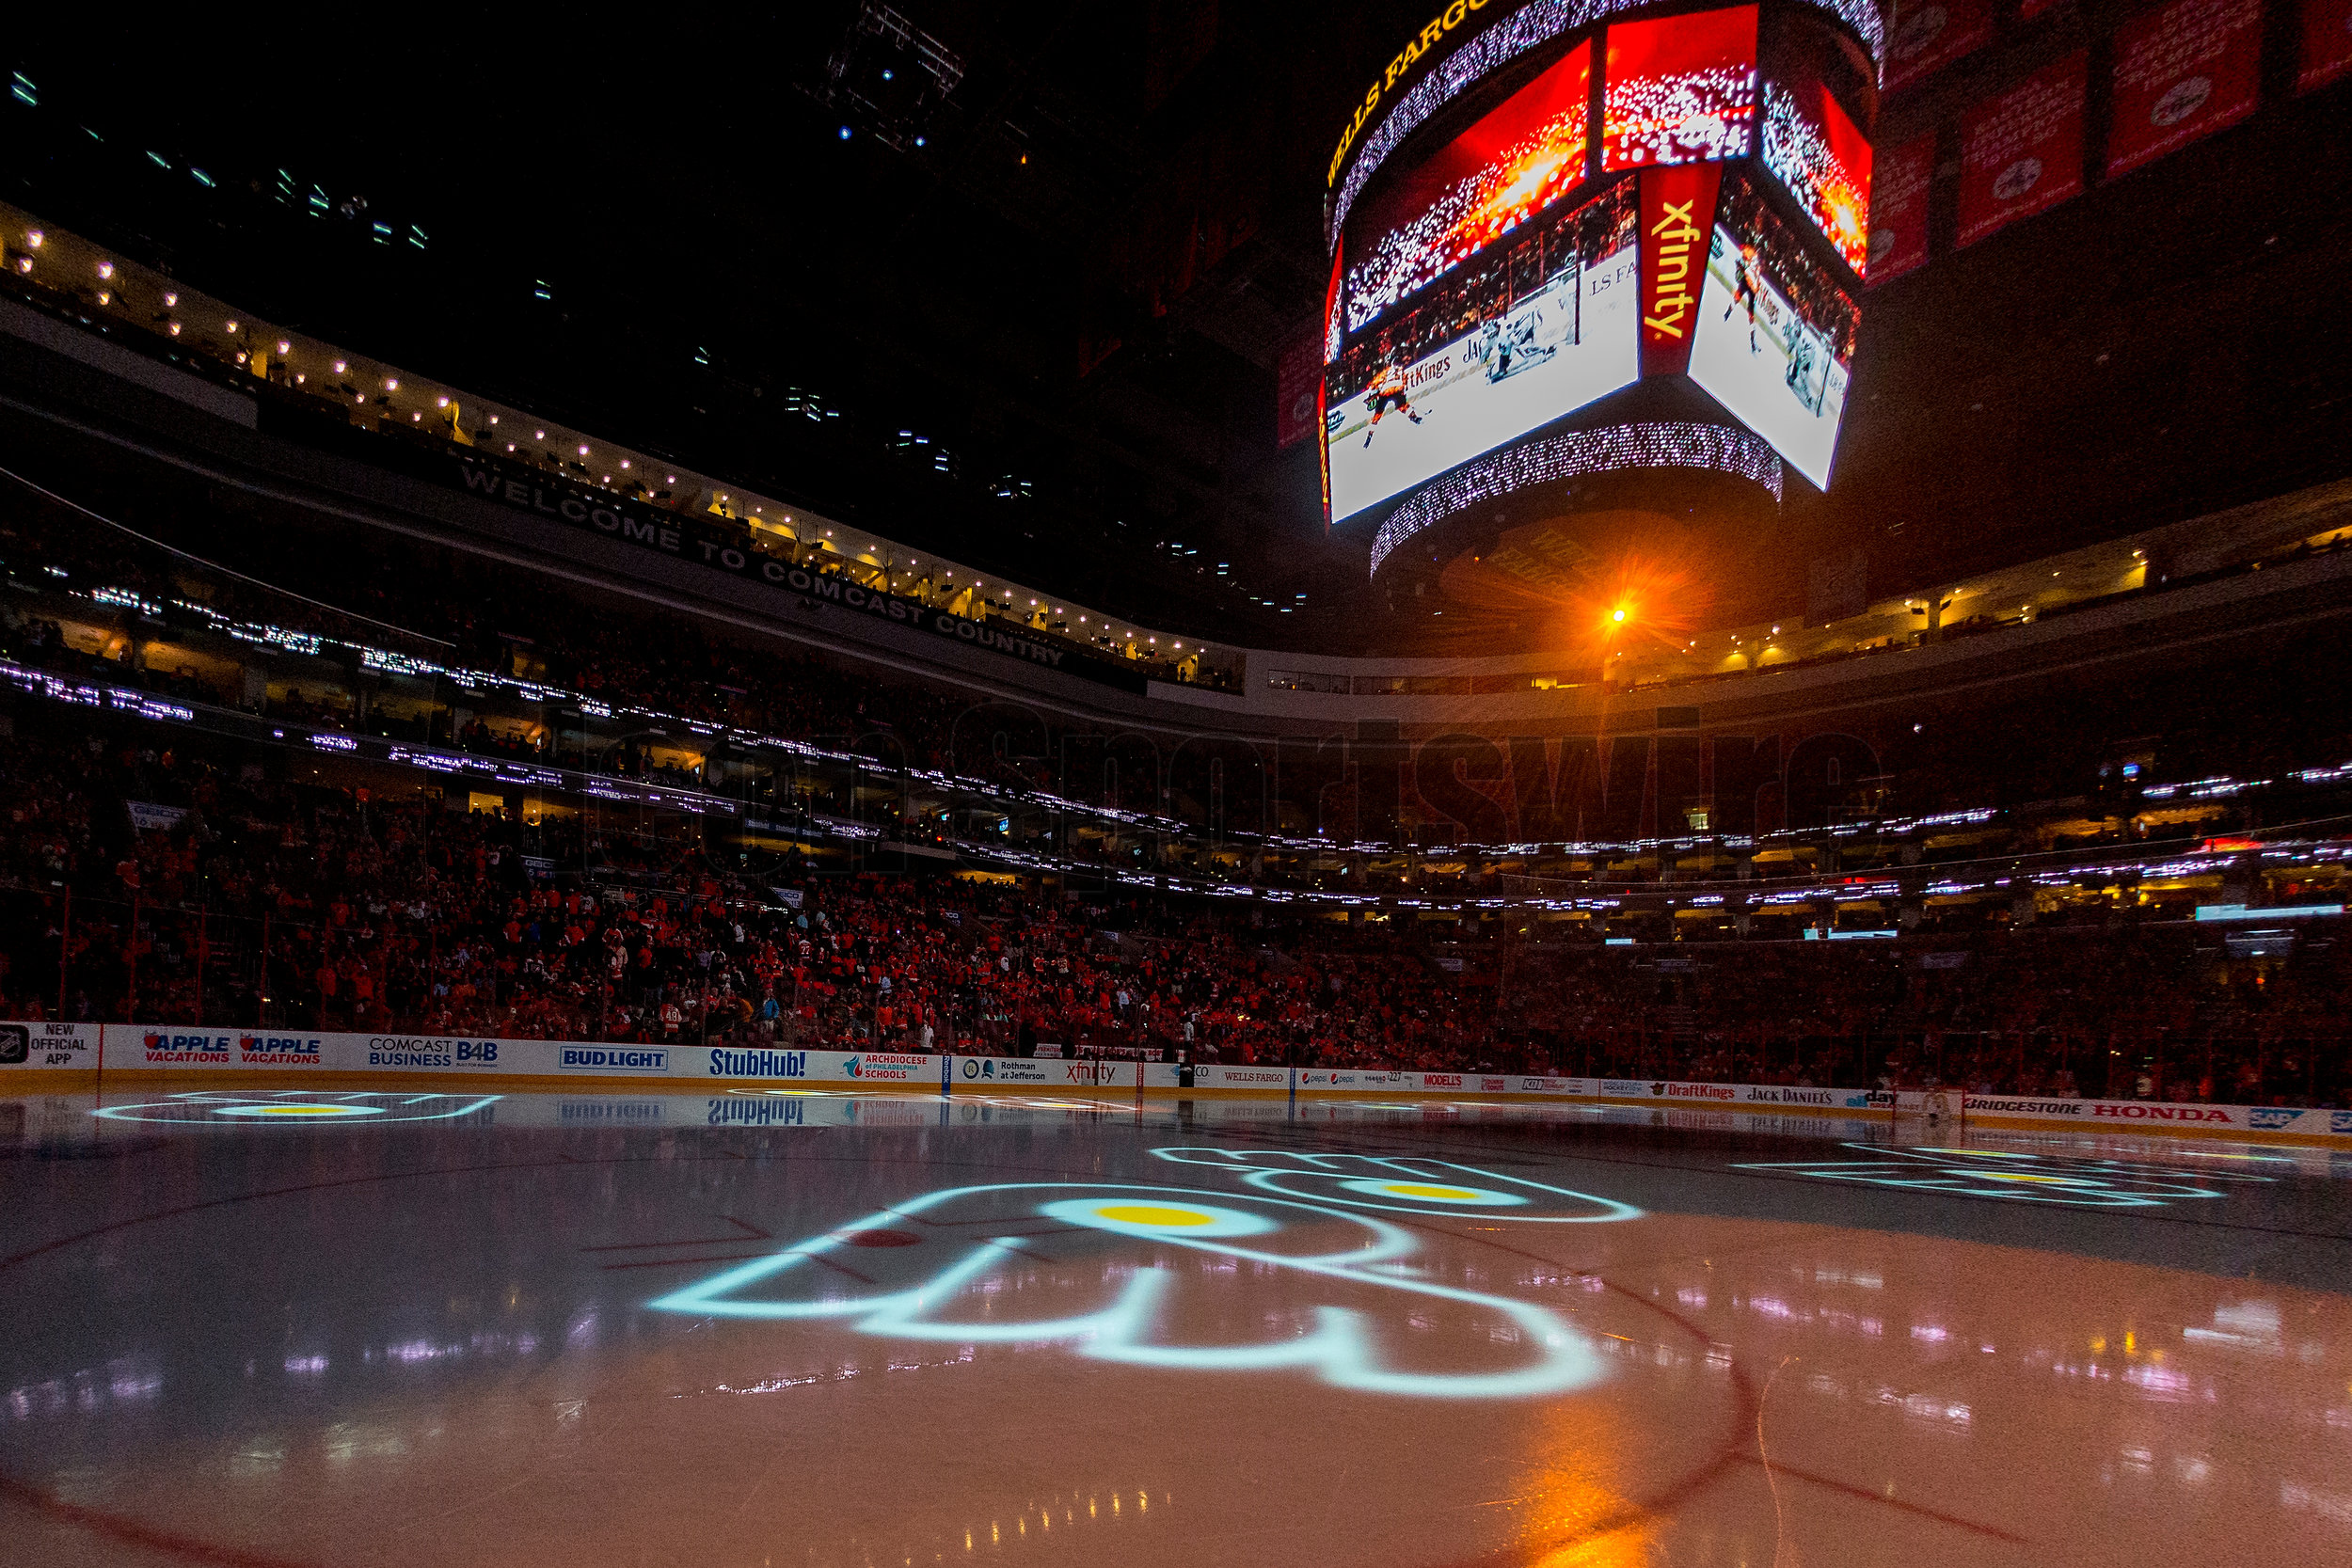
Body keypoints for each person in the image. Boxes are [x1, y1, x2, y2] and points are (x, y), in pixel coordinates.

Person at [1359, 358, 1424, 448]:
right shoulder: (1393, 371)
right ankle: (1369, 436)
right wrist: (1372, 393)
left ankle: (1414, 418)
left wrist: (1371, 395)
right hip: (1389, 392)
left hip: (1391, 392)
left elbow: (1376, 383)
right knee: (1381, 414)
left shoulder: (1394, 371)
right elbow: (1376, 383)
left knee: (1399, 408)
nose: (1400, 367)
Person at [1724, 242, 1763, 354]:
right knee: (1747, 309)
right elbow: (1754, 276)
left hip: (1749, 283)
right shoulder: (1756, 262)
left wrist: (1741, 266)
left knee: (1749, 310)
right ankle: (1728, 312)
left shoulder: (1752, 259)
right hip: (1750, 284)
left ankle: (1728, 312)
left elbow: (1744, 262)